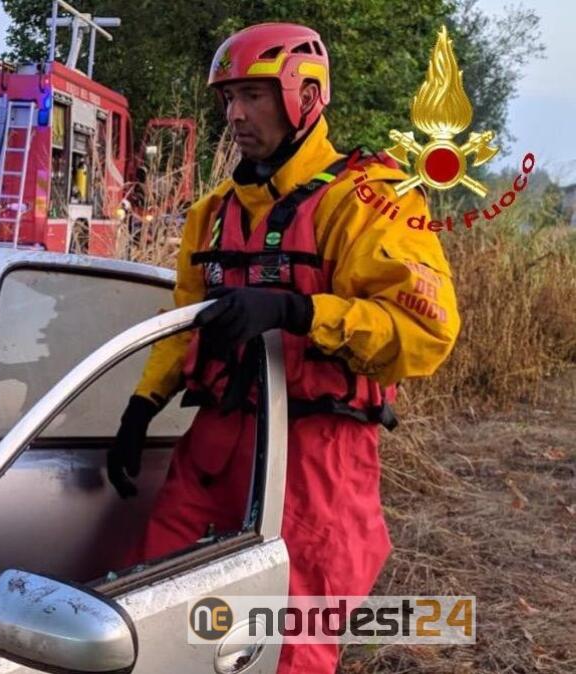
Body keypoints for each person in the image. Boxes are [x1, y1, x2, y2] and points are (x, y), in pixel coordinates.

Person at [105, 23, 460, 672]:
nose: (235, 114)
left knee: (288, 647)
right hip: (213, 446)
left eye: (254, 96)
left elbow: (425, 333)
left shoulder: (365, 200)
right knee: (147, 617)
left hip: (318, 457)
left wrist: (300, 312)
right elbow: (184, 318)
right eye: (228, 98)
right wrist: (142, 404)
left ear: (305, 97)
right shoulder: (211, 214)